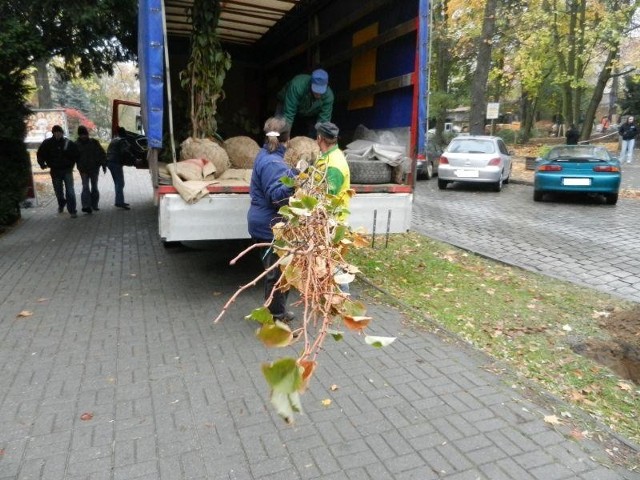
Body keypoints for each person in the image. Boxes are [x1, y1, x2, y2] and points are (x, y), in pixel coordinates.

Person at [248, 117, 297, 322]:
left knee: (277, 271)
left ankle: (278, 312)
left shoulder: (266, 155)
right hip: (271, 227)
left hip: (266, 223)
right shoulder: (273, 163)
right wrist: (296, 178)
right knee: (277, 275)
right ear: (288, 138)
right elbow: (279, 197)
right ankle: (276, 317)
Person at [314, 121, 351, 293]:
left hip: (332, 221)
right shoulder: (330, 157)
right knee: (327, 260)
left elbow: (327, 196)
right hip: (329, 220)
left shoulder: (334, 164)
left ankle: (343, 296)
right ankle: (330, 297)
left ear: (320, 138)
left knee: (332, 261)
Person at [275, 68, 334, 137]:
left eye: (321, 91)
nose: (318, 94)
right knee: (279, 126)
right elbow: (288, 116)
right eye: (316, 90)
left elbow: (324, 121)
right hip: (287, 103)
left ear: (326, 85)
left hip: (310, 111)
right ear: (311, 83)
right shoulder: (297, 86)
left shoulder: (329, 96)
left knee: (315, 132)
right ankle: (274, 145)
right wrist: (285, 139)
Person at [36, 125, 79, 218]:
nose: (57, 134)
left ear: (62, 133)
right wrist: (42, 164)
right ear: (53, 133)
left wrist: (72, 164)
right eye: (55, 132)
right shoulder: (47, 143)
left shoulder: (68, 143)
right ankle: (61, 203)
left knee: (70, 191)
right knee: (58, 191)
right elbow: (40, 154)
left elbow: (76, 154)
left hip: (67, 170)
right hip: (55, 171)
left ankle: (72, 210)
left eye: (59, 132)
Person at [76, 125, 107, 214]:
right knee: (85, 187)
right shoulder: (76, 144)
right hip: (83, 169)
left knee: (94, 187)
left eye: (85, 134)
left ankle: (94, 204)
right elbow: (73, 157)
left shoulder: (94, 142)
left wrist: (104, 165)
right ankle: (86, 206)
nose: (84, 136)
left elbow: (101, 153)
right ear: (79, 135)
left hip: (94, 168)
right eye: (82, 135)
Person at [106, 127, 136, 209]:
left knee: (117, 182)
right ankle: (119, 202)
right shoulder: (122, 141)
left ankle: (119, 201)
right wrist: (134, 159)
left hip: (110, 162)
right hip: (116, 163)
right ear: (124, 133)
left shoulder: (114, 140)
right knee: (120, 183)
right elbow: (125, 152)